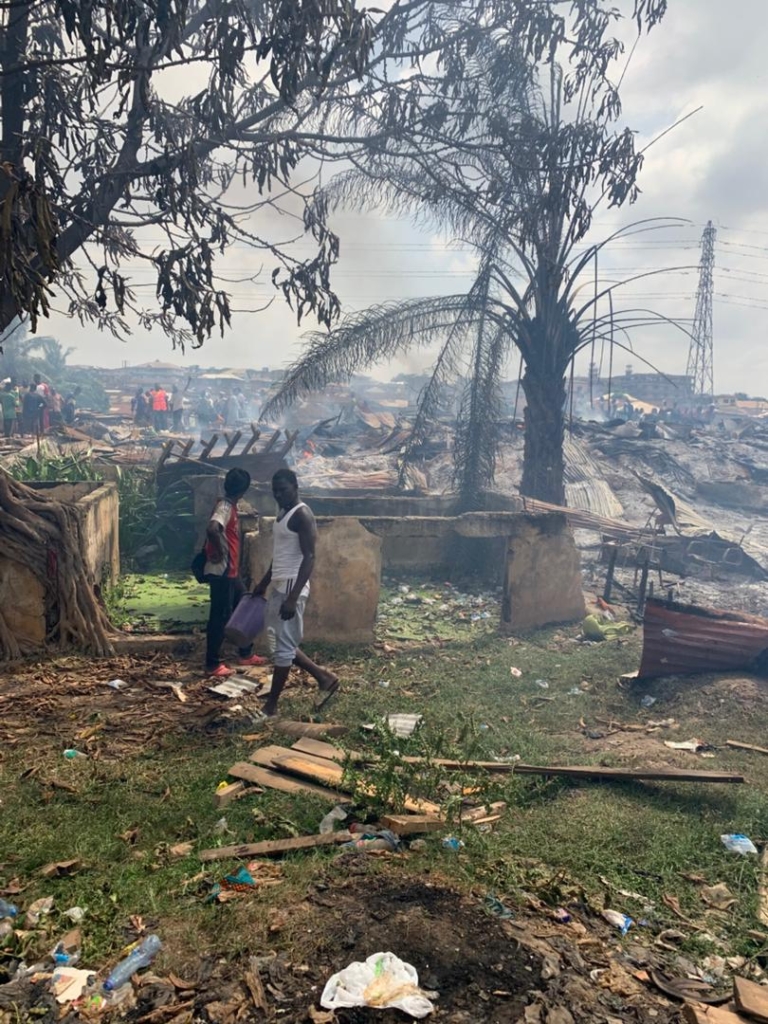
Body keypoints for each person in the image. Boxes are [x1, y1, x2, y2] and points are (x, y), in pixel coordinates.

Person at [254, 468, 338, 716]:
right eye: (275, 491)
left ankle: (271, 707)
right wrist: (264, 581)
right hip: (280, 583)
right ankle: (323, 677)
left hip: (292, 585)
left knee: (282, 648)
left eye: (283, 490)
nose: (278, 495)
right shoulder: (283, 512)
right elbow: (280, 553)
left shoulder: (302, 514)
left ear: (295, 486)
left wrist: (293, 597)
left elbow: (310, 556)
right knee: (279, 642)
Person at [204, 467, 268, 678]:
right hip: (222, 572)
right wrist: (221, 550)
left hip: (231, 572)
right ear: (244, 490)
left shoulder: (230, 506)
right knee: (219, 616)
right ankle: (212, 663)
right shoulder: (224, 506)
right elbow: (213, 528)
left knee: (244, 605)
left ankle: (245, 652)